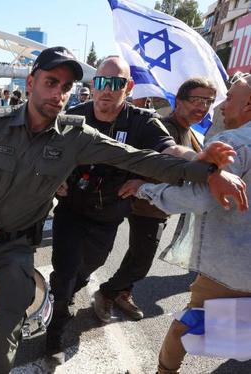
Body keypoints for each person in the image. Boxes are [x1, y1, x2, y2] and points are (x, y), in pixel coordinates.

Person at [0, 46, 246, 374]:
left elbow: (139, 158)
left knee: (9, 328)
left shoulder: (75, 134)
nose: (59, 93)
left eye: (66, 87)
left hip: (19, 248)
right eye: (51, 82)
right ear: (31, 82)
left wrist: (207, 171)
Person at [45, 57, 233, 352]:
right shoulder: (74, 116)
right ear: (94, 86)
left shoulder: (142, 121)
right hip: (71, 209)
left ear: (128, 87)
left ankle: (65, 294)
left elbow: (169, 148)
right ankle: (56, 325)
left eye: (115, 84)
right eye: (101, 83)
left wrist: (199, 159)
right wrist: (56, 178)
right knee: (65, 270)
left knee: (88, 267)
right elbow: (49, 152)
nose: (106, 91)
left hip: (108, 213)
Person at [119, 72, 251, 374]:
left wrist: (143, 189)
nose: (219, 106)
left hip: (232, 267)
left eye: (228, 98)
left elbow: (200, 199)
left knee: (189, 325)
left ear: (248, 105)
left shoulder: (233, 144)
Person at [91, 77, 218, 323]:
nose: (202, 107)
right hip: (145, 205)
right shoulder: (165, 128)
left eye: (208, 102)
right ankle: (106, 292)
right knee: (140, 261)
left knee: (137, 256)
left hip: (159, 205)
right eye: (196, 100)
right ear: (178, 101)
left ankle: (123, 293)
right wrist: (143, 183)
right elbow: (150, 163)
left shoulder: (189, 131)